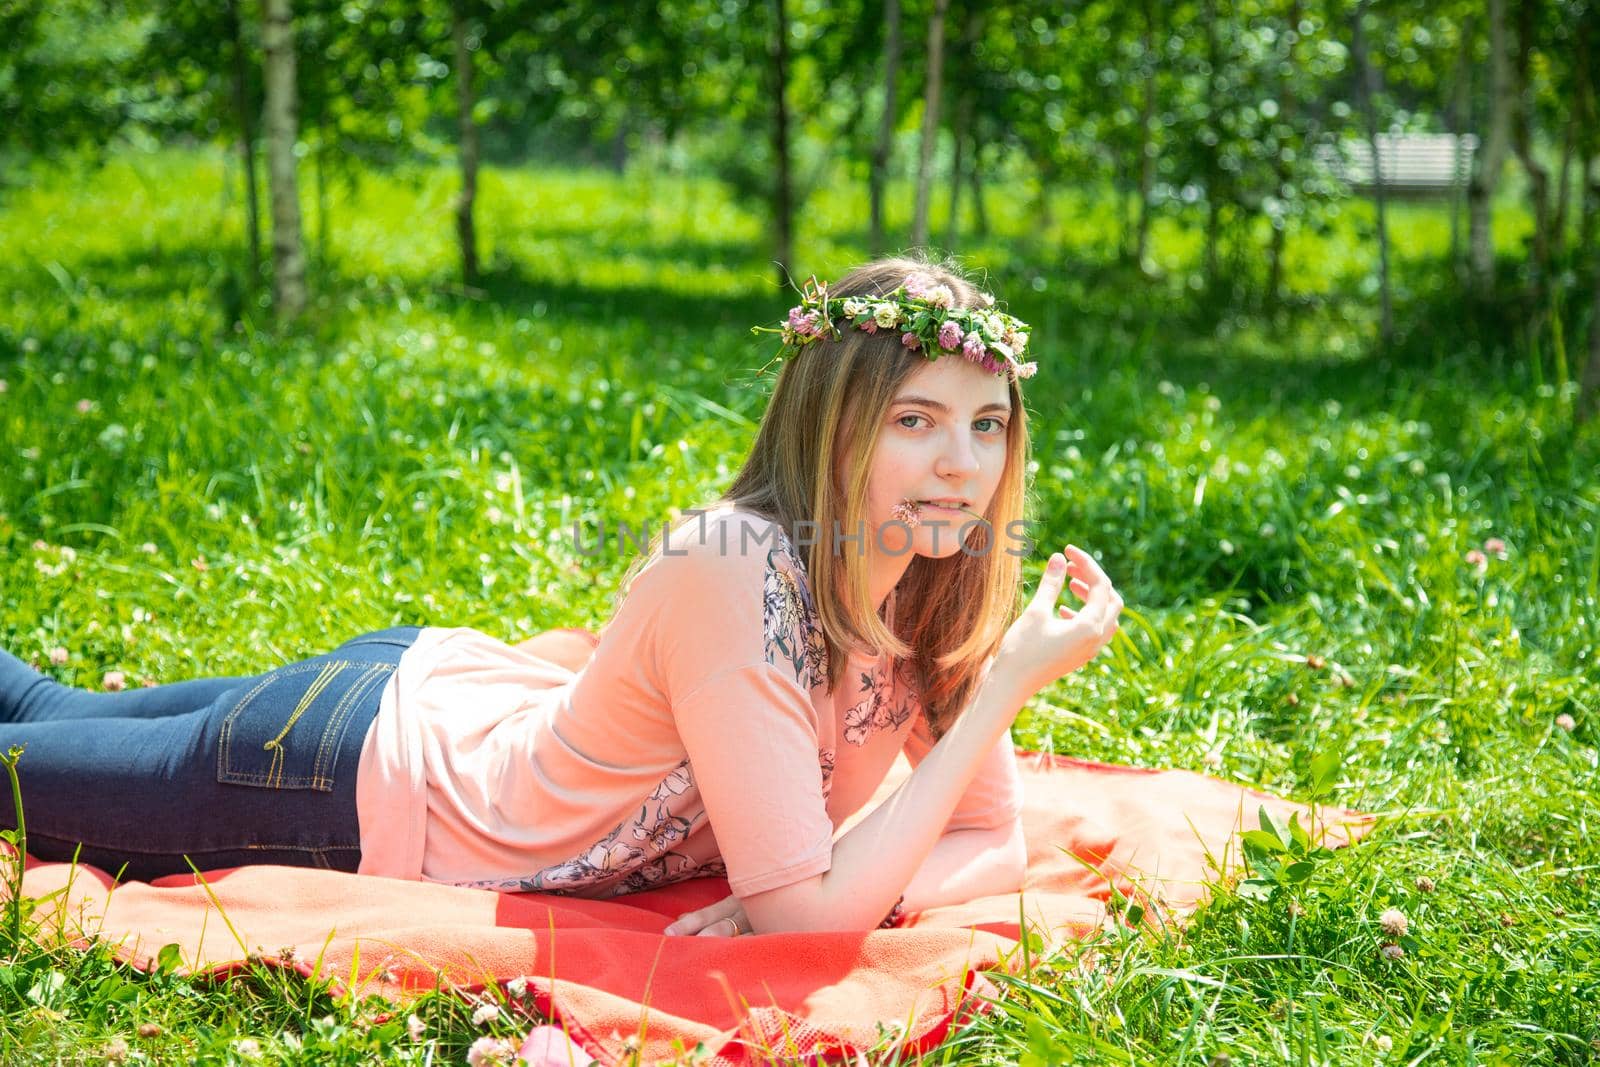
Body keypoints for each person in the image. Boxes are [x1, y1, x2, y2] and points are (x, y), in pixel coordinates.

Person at [0, 256, 1123, 936]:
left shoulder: (933, 590)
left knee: (40, 708)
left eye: (986, 426)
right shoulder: (737, 564)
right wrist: (1001, 692)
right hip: (336, 783)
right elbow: (806, 920)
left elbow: (990, 839)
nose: (961, 468)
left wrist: (826, 887)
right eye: (914, 421)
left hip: (416, 693)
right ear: (829, 424)